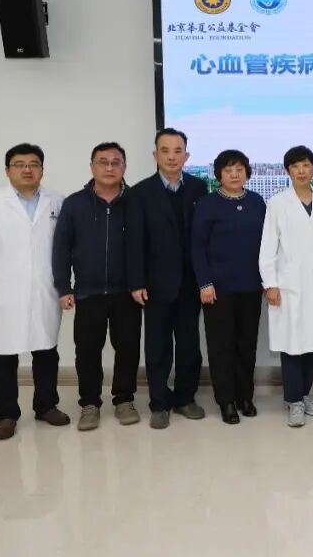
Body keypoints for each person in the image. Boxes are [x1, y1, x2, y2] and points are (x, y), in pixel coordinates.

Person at [0, 143, 68, 440]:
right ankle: (6, 414)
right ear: (7, 170)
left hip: (45, 289)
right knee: (4, 354)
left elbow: (63, 247)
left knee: (46, 351)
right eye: (19, 164)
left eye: (34, 164)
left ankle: (46, 406)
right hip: (7, 291)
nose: (27, 170)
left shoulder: (57, 202)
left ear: (42, 170)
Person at [52, 142, 141, 431]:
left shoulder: (136, 202)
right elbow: (61, 249)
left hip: (127, 292)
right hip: (88, 292)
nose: (109, 167)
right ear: (92, 166)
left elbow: (146, 247)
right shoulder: (75, 203)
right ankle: (89, 403)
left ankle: (124, 399)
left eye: (116, 162)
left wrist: (141, 282)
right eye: (103, 162)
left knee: (127, 348)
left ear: (124, 167)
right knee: (88, 350)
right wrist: (64, 287)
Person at [126, 128, 208, 429]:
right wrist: (136, 281)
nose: (172, 157)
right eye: (165, 150)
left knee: (189, 346)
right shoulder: (139, 193)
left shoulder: (199, 187)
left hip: (190, 283)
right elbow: (134, 241)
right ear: (155, 155)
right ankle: (159, 403)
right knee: (158, 347)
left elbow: (204, 237)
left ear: (186, 155)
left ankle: (185, 398)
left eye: (177, 151)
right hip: (155, 284)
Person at [259, 145, 313, 428]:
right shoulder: (278, 203)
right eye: (295, 166)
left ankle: (304, 394)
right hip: (288, 284)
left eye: (306, 165)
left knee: (312, 341)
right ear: (288, 171)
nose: (301, 171)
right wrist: (270, 284)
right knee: (291, 343)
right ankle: (293, 400)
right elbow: (268, 247)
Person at [191, 149, 267, 425]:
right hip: (217, 289)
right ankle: (226, 401)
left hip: (251, 287)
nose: (234, 174)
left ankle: (245, 396)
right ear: (219, 174)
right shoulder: (208, 204)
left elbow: (268, 244)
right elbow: (197, 247)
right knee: (221, 346)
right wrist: (205, 282)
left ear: (247, 172)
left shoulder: (257, 202)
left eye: (239, 169)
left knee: (247, 344)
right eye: (228, 170)